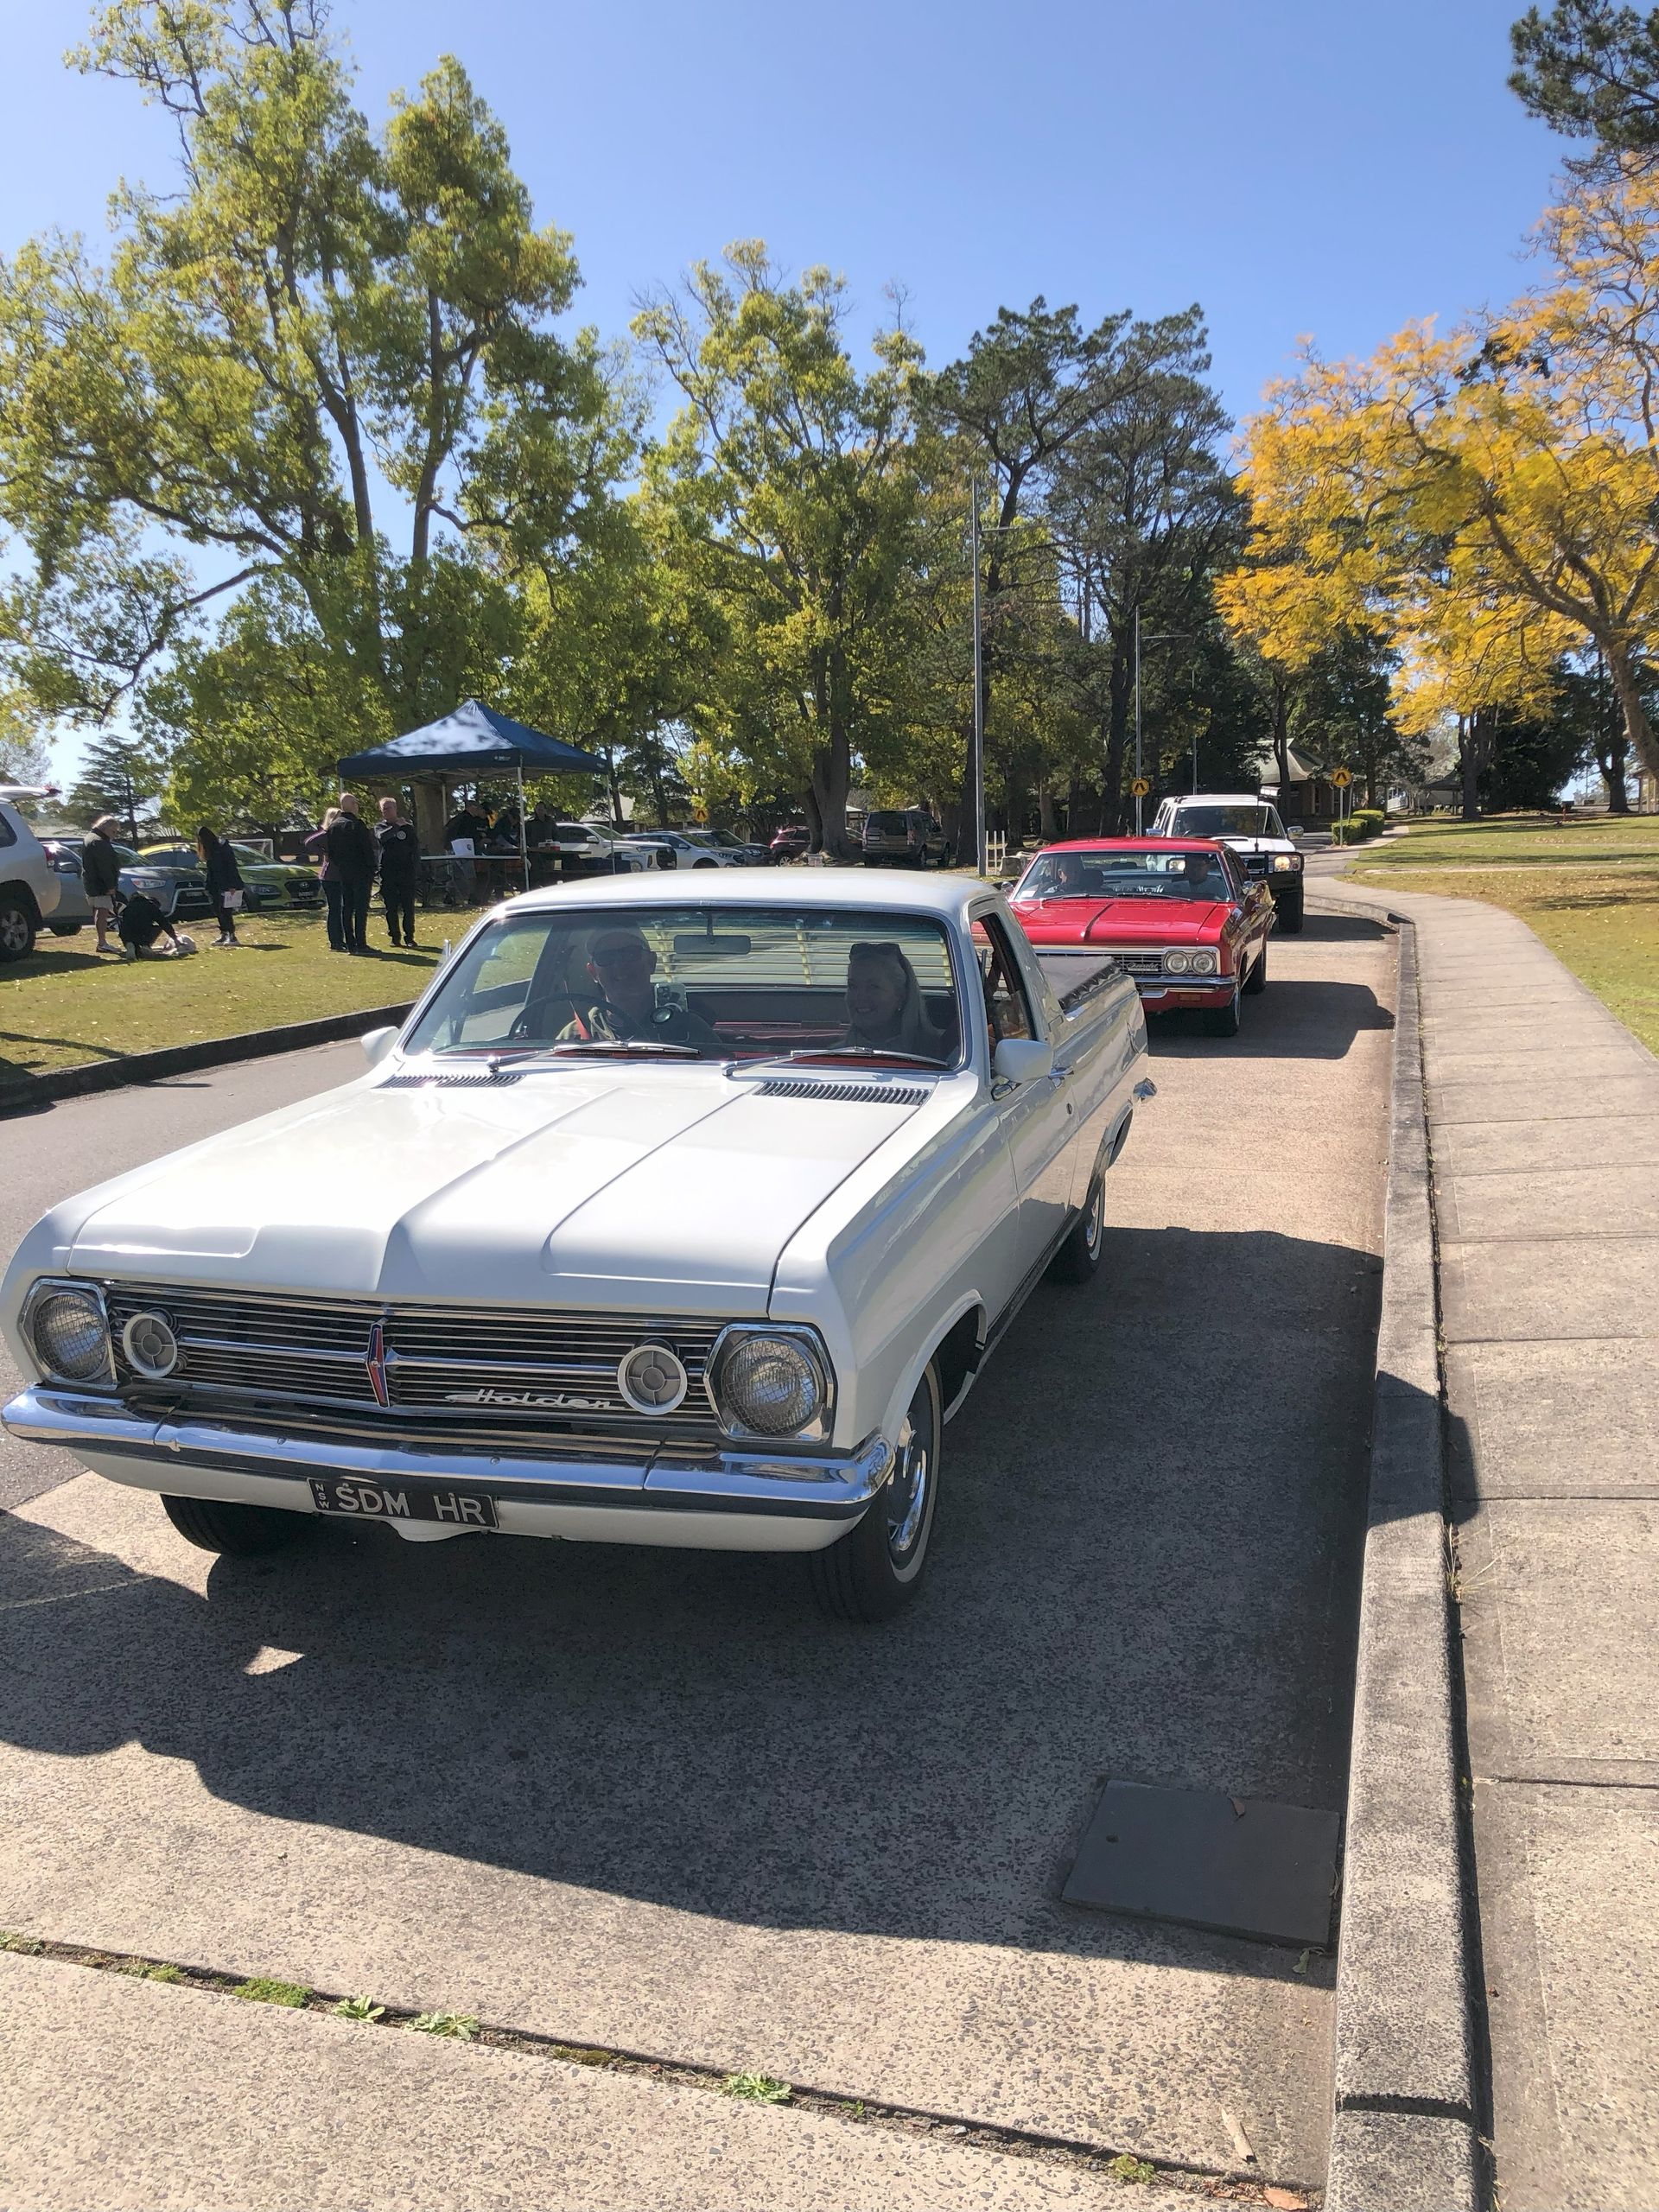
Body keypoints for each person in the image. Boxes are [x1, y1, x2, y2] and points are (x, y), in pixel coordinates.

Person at [558, 925, 721, 1050]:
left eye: (630, 954)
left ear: (651, 962)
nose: (619, 965)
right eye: (606, 957)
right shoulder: (575, 1035)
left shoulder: (688, 1028)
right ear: (593, 972)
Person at [841, 940, 950, 1061]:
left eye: (873, 987)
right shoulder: (831, 1057)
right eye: (853, 986)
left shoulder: (941, 1056)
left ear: (901, 996)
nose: (860, 996)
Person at [325, 792, 378, 955]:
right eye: (355, 803)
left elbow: (331, 852)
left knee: (347, 907)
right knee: (361, 908)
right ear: (352, 805)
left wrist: (341, 865)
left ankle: (350, 942)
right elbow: (366, 849)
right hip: (361, 872)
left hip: (343, 873)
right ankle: (361, 943)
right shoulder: (357, 824)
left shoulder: (333, 827)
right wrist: (372, 868)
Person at [375, 796, 420, 949]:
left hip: (406, 872)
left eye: (389, 808)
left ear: (396, 809)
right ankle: (395, 936)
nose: (386, 811)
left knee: (408, 907)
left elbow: (415, 848)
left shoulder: (407, 827)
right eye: (384, 809)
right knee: (391, 907)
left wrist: (416, 869)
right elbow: (383, 838)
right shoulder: (380, 827)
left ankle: (410, 937)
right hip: (388, 873)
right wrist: (396, 827)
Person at [195, 826, 245, 947]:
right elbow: (211, 870)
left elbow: (231, 866)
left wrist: (232, 885)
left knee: (226, 910)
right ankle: (224, 933)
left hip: (226, 883)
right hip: (215, 884)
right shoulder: (211, 850)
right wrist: (208, 886)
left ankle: (232, 935)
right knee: (217, 909)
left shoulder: (222, 848)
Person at [81, 815, 123, 953]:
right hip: (100, 884)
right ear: (106, 828)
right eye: (114, 831)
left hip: (91, 882)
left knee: (98, 910)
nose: (114, 835)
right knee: (103, 911)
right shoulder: (99, 842)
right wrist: (110, 885)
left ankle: (102, 941)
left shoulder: (89, 837)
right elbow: (104, 866)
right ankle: (102, 942)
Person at [306, 807, 346, 951]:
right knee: (334, 909)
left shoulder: (341, 835)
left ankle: (341, 939)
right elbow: (309, 842)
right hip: (330, 877)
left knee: (342, 909)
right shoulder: (326, 834)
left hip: (341, 876)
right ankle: (335, 941)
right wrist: (324, 853)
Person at [117, 891, 187, 960]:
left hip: (127, 934)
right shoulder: (150, 905)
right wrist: (174, 938)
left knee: (128, 934)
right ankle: (145, 945)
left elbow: (123, 924)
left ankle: (130, 945)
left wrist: (126, 939)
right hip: (143, 933)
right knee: (157, 927)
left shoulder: (128, 907)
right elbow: (163, 922)